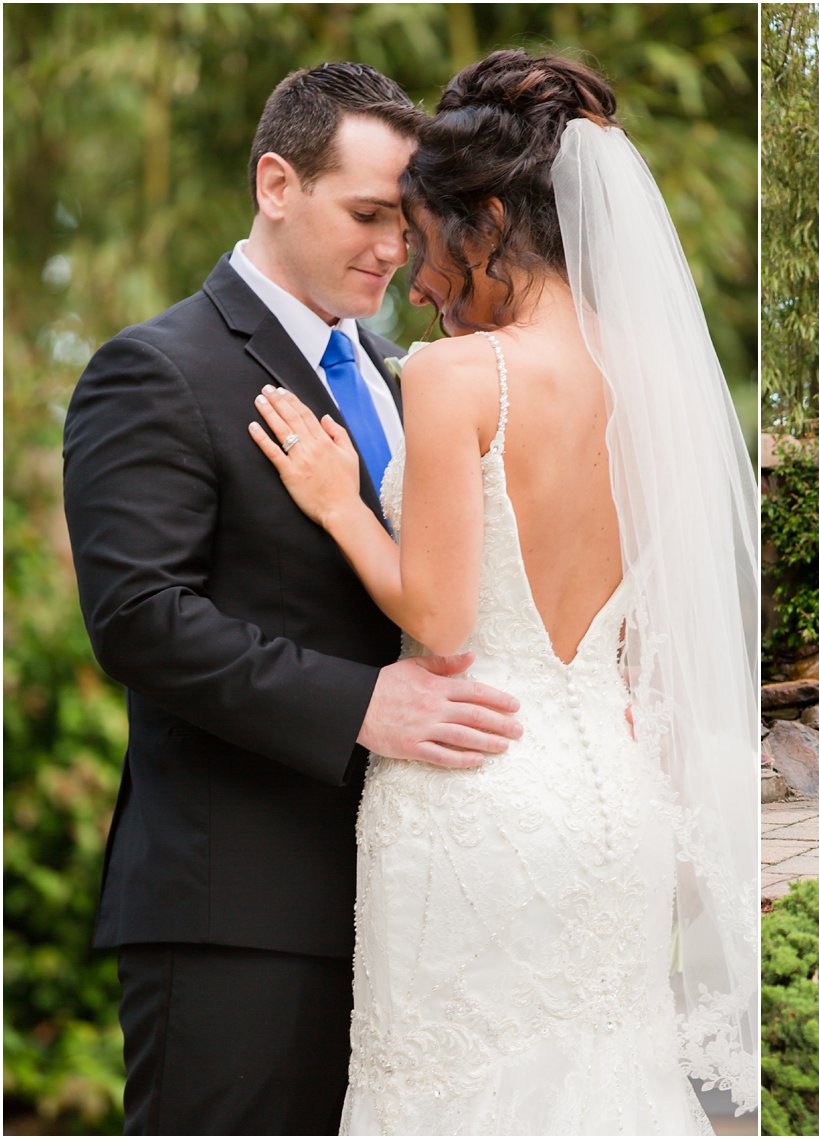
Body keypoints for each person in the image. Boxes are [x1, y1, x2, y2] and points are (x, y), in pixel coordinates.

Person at [249, 50, 758, 1134]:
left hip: (471, 799)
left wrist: (339, 500)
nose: (420, 281)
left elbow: (436, 616)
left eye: (428, 244)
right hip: (616, 804)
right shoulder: (658, 381)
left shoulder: (455, 376)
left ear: (484, 216)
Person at [61, 64, 527, 1135]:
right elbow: (139, 616)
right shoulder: (157, 368)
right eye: (367, 214)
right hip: (241, 915)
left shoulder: (402, 370)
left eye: (405, 223)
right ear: (276, 182)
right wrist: (361, 703)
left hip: (408, 898)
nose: (393, 248)